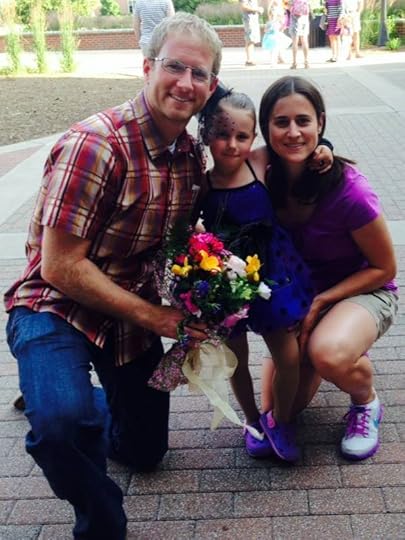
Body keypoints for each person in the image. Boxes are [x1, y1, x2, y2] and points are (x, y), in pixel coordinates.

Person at [4, 13, 221, 540]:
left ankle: (62, 396)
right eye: (174, 67)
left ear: (212, 86)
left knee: (145, 452)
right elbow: (60, 266)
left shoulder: (191, 157)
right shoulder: (96, 145)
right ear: (147, 67)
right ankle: (101, 519)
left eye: (199, 73)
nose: (185, 83)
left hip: (126, 316)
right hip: (55, 304)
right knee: (61, 427)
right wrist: (158, 318)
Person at [255, 75, 398, 461]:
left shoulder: (350, 191)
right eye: (281, 122)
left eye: (303, 121)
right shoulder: (263, 179)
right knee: (281, 410)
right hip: (297, 300)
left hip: (362, 291)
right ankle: (315, 346)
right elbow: (225, 163)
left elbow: (385, 268)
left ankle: (365, 400)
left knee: (328, 354)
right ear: (266, 128)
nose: (293, 132)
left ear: (320, 122)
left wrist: (321, 303)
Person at [197, 85, 334, 462]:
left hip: (273, 278)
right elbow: (188, 228)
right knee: (235, 359)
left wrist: (325, 147)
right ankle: (253, 420)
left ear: (253, 136)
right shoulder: (202, 184)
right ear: (207, 134)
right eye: (222, 135)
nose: (232, 145)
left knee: (288, 357)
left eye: (242, 136)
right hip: (227, 285)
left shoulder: (258, 162)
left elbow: (299, 147)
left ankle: (281, 420)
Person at [239, 0, 264, 66]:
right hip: (249, 19)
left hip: (253, 18)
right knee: (250, 39)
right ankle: (249, 60)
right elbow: (243, 6)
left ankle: (251, 59)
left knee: (252, 39)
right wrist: (257, 9)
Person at [288, 0, 310, 69]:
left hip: (295, 19)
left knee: (295, 41)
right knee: (305, 40)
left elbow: (289, 7)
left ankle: (294, 63)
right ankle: (306, 62)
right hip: (304, 19)